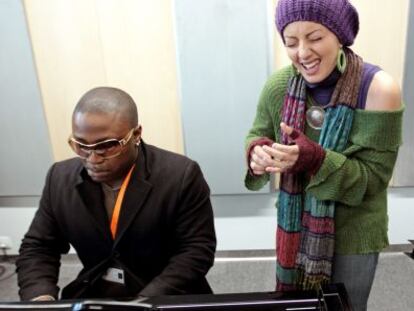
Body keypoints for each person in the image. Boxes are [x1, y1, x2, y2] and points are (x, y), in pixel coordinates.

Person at [245, 0, 403, 310]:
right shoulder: (279, 85)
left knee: (344, 307)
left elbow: (372, 180)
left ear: (340, 35)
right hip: (296, 224)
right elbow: (256, 134)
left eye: (315, 38)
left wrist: (315, 160)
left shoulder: (378, 90)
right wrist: (258, 153)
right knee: (295, 306)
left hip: (354, 231)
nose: (302, 53)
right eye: (291, 42)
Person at [16, 87, 216, 301]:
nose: (92, 159)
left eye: (107, 146)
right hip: (95, 292)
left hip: (163, 294)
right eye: (81, 145)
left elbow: (195, 250)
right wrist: (40, 296)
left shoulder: (180, 175)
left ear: (136, 134)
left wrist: (145, 302)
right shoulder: (59, 177)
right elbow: (39, 247)